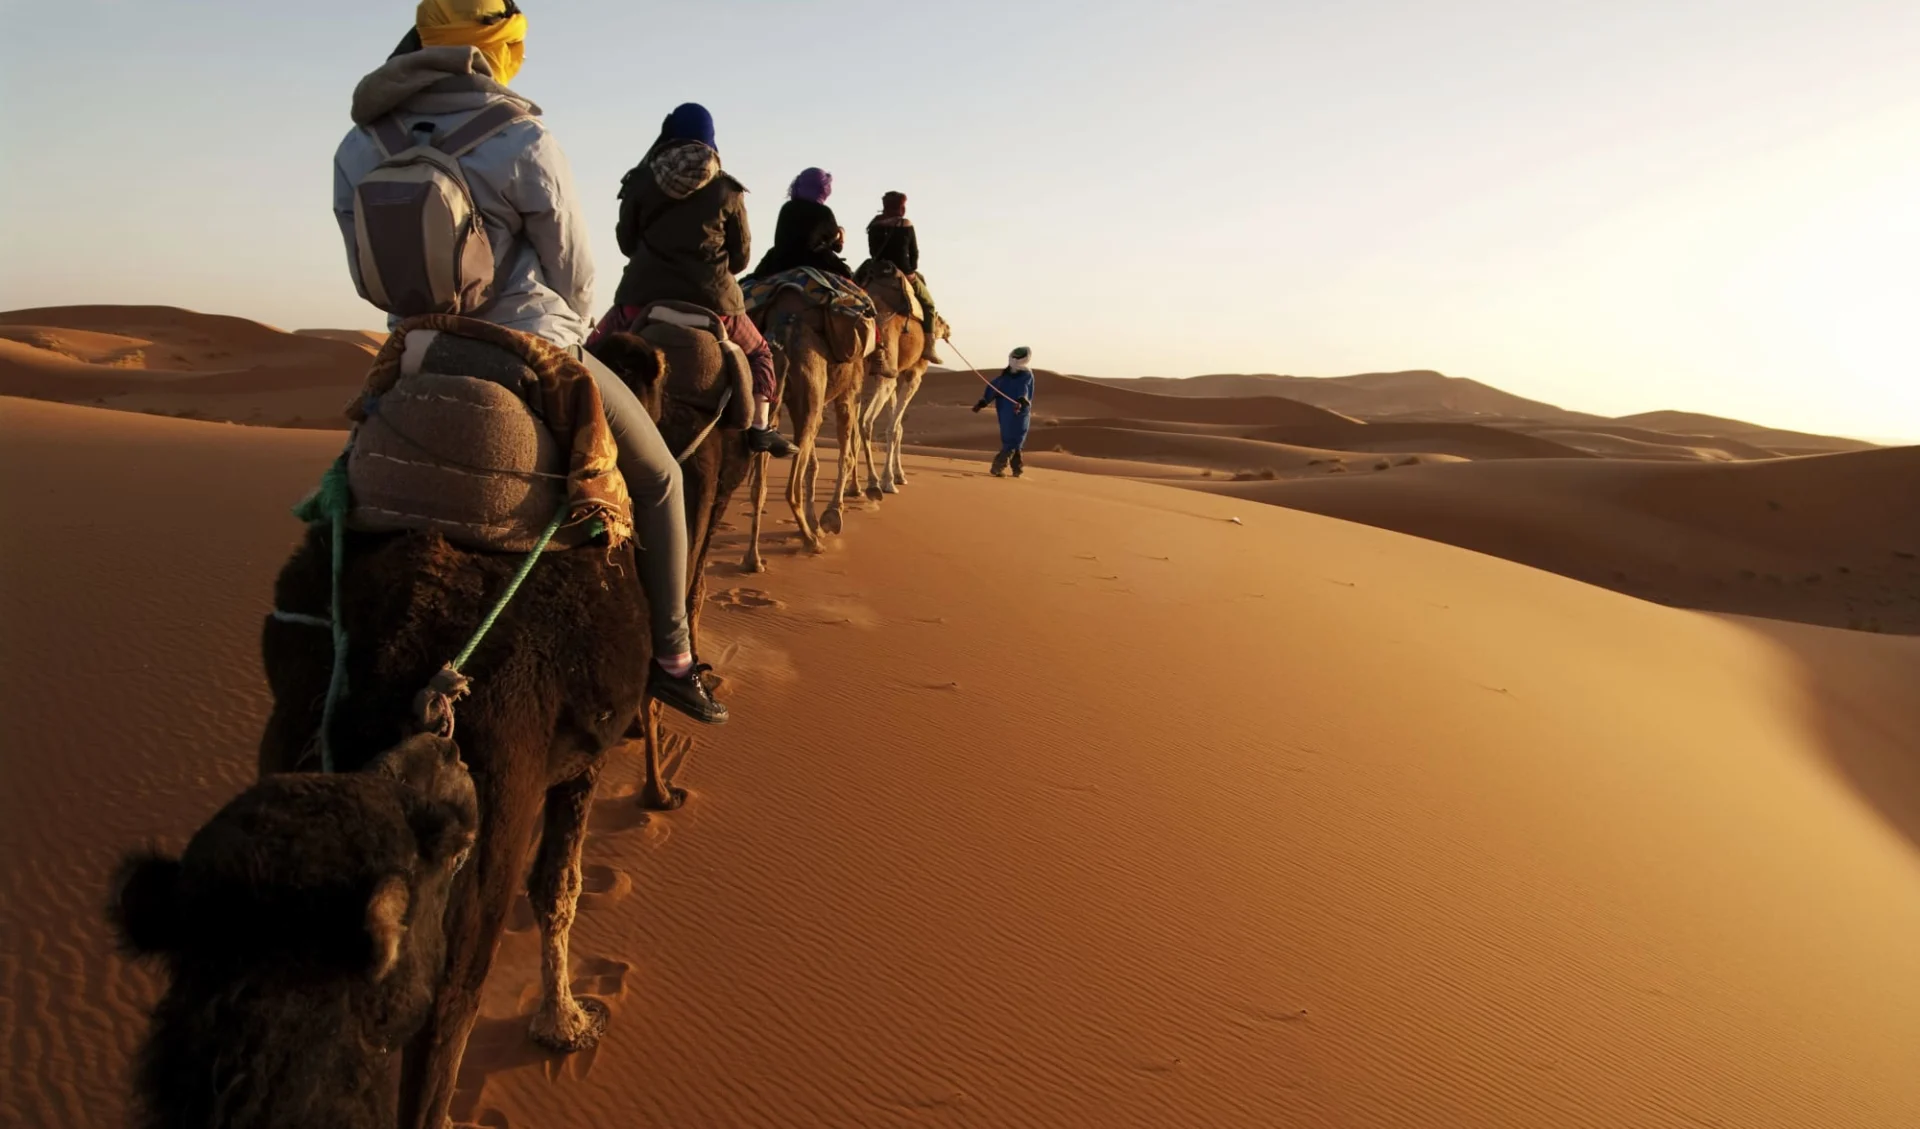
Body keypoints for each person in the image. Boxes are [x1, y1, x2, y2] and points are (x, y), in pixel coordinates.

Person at [333, 1, 727, 724]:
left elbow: (366, 270)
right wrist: (565, 343)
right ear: (502, 46)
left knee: (342, 479)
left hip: (417, 348)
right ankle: (673, 659)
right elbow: (574, 270)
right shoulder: (519, 135)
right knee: (663, 478)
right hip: (530, 340)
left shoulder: (359, 145)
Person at [603, 102, 793, 457]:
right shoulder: (727, 190)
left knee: (591, 350)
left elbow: (626, 243)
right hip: (716, 306)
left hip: (640, 300)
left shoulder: (640, 182)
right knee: (761, 353)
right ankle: (760, 427)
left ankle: (574, 418)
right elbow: (740, 258)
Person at [866, 191, 941, 360]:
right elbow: (913, 252)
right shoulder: (905, 224)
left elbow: (872, 251)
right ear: (900, 207)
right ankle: (929, 347)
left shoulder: (874, 225)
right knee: (928, 304)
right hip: (903, 272)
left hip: (878, 270)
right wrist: (911, 270)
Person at [747, 168, 854, 280]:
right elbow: (837, 247)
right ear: (823, 189)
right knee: (850, 280)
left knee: (749, 283)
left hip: (779, 263)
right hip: (815, 263)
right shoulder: (824, 212)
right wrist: (841, 234)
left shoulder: (787, 208)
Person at [972, 347, 1036, 477]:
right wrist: (983, 402)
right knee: (1013, 439)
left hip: (1017, 410)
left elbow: (1022, 390)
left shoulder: (1022, 375)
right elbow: (994, 388)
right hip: (1011, 411)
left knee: (1016, 439)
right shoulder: (1009, 376)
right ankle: (998, 467)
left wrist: (983, 402)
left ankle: (1017, 469)